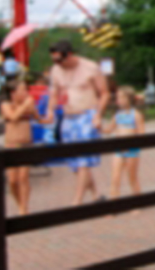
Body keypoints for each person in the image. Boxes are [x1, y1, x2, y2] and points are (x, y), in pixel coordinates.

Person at [47, 40, 111, 206]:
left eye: (60, 60)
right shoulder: (56, 70)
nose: (57, 64)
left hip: (87, 114)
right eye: (54, 61)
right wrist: (50, 111)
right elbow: (54, 94)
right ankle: (96, 195)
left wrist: (98, 115)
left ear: (69, 55)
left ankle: (77, 202)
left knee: (83, 160)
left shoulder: (90, 67)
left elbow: (104, 93)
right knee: (75, 162)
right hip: (68, 116)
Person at [1, 78, 50, 216]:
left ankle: (24, 209)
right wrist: (26, 105)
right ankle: (20, 204)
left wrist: (49, 118)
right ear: (13, 93)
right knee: (12, 181)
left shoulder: (29, 105)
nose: (26, 93)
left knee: (23, 178)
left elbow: (39, 119)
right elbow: (13, 117)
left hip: (26, 145)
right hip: (10, 145)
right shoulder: (6, 105)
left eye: (26, 90)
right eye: (22, 90)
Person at [102, 86, 145, 203]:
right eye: (117, 97)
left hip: (132, 150)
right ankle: (113, 206)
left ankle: (137, 204)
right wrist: (99, 127)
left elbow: (142, 134)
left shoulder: (136, 115)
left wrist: (133, 141)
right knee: (115, 179)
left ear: (128, 99)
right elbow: (109, 130)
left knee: (132, 178)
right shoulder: (117, 115)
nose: (118, 100)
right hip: (118, 150)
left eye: (121, 97)